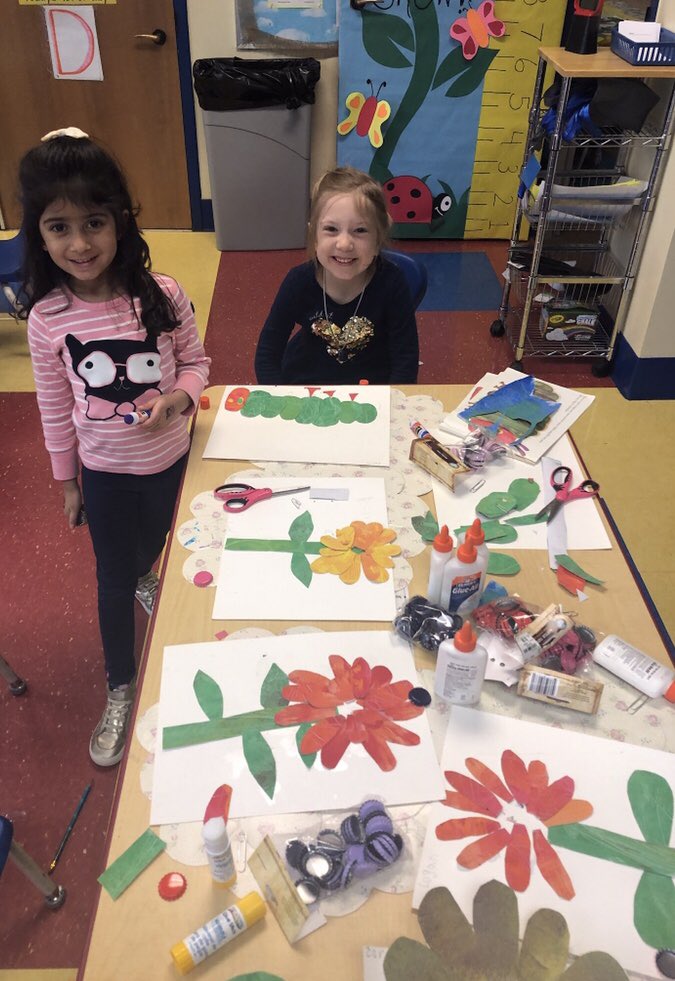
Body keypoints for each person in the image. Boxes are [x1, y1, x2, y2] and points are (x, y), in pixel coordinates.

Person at [19, 128, 210, 767]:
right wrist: (67, 481)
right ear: (38, 235)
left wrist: (179, 400)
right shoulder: (48, 318)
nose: (79, 243)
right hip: (104, 473)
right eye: (59, 227)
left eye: (94, 222)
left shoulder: (162, 294)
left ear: (121, 221)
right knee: (110, 577)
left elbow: (197, 364)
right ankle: (120, 686)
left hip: (172, 464)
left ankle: (143, 574)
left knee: (151, 550)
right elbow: (53, 405)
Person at [254, 166, 419, 385]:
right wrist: (278, 400)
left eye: (360, 230)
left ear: (378, 239)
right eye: (331, 229)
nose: (344, 244)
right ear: (314, 236)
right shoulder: (298, 281)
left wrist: (394, 404)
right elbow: (268, 353)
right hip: (305, 387)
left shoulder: (392, 283)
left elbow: (406, 361)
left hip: (372, 392)